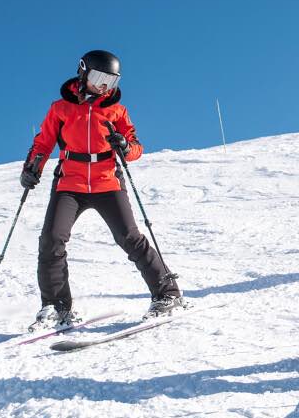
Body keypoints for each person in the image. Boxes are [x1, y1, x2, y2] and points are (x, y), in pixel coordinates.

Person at [21, 50, 182, 330]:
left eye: (111, 81)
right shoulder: (61, 108)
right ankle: (57, 307)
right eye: (99, 78)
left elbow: (135, 147)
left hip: (107, 181)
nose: (105, 86)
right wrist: (33, 165)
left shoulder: (116, 110)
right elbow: (44, 142)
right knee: (51, 239)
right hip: (69, 183)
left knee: (130, 237)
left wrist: (125, 146)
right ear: (83, 73)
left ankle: (167, 295)